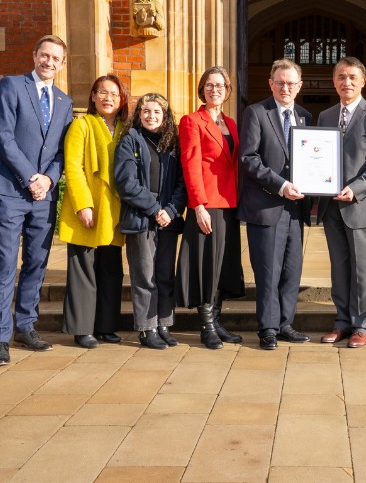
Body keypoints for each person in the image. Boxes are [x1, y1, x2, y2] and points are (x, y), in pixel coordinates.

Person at [0, 35, 73, 366]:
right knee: (5, 265)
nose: (48, 61)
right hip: (10, 190)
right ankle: (0, 338)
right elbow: (3, 138)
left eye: (55, 58)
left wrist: (48, 179)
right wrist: (31, 177)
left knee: (36, 263)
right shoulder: (12, 86)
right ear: (35, 55)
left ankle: (25, 326)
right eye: (44, 55)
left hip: (43, 196)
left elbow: (64, 149)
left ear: (62, 65)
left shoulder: (64, 102)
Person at [317, 57, 366, 348]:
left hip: (364, 204)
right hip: (331, 207)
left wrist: (356, 187)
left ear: (363, 81)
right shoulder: (325, 116)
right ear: (334, 81)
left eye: (351, 77)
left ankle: (363, 326)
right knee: (339, 269)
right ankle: (342, 322)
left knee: (364, 270)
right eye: (340, 77)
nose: (345, 83)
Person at [238, 59, 313, 350]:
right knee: (268, 270)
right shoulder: (256, 113)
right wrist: (281, 185)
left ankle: (285, 324)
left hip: (295, 209)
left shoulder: (305, 115)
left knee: (292, 269)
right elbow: (248, 158)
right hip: (267, 205)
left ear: (299, 86)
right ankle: (267, 328)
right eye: (280, 82)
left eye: (291, 83)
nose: (286, 87)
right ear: (271, 83)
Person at [177, 66, 245, 349]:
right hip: (207, 204)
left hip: (230, 203)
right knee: (206, 265)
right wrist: (198, 205)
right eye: (209, 85)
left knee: (223, 266)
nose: (214, 89)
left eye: (220, 85)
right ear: (202, 89)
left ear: (227, 90)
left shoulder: (231, 123)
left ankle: (217, 320)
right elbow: (190, 164)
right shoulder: (192, 120)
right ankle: (205, 325)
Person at [59, 74, 127, 349]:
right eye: (102, 92)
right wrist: (83, 205)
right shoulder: (82, 125)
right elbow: (73, 168)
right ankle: (82, 328)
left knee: (111, 270)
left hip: (114, 210)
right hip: (87, 209)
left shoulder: (126, 129)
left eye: (114, 93)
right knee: (83, 269)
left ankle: (106, 325)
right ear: (93, 97)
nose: (108, 98)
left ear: (122, 99)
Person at [114, 93, 187, 349]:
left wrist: (171, 209)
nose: (151, 116)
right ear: (139, 114)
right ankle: (146, 328)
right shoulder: (130, 141)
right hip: (142, 217)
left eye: (157, 112)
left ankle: (164, 324)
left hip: (168, 216)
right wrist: (156, 209)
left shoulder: (173, 144)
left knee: (165, 274)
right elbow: (126, 184)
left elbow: (182, 183)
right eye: (146, 111)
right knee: (145, 275)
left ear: (165, 116)